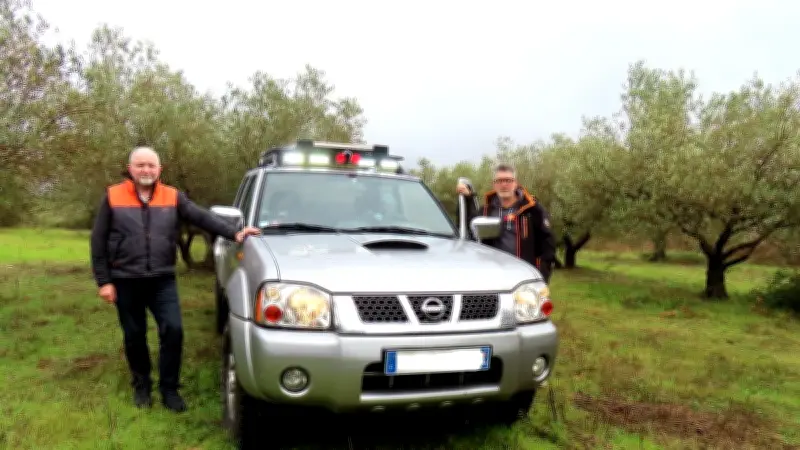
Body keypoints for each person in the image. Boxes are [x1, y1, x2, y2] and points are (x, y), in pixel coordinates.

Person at [90, 146, 261, 412]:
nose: (146, 170)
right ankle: (142, 386)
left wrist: (234, 233)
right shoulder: (113, 196)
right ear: (131, 169)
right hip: (125, 279)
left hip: (162, 279)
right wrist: (104, 282)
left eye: (151, 166)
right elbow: (98, 241)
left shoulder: (172, 196)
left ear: (160, 170)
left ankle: (169, 389)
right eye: (140, 165)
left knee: (174, 330)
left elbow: (201, 216)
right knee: (134, 335)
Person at [457, 163, 557, 283]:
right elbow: (470, 228)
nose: (504, 184)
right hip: (493, 276)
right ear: (494, 184)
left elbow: (548, 245)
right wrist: (468, 199)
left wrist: (542, 275)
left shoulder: (532, 210)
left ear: (515, 183)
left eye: (508, 180)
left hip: (525, 276)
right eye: (499, 181)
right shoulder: (486, 211)